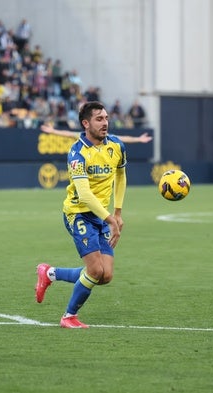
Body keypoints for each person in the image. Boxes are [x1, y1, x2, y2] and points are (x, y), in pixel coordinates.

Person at [35, 101, 127, 328]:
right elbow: (84, 195)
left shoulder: (116, 145)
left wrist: (118, 212)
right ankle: (68, 317)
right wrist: (111, 220)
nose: (105, 123)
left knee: (105, 276)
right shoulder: (77, 153)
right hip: (78, 214)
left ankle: (49, 273)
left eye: (106, 118)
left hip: (102, 215)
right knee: (95, 270)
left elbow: (121, 175)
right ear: (86, 123)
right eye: (99, 119)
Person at [40, 124, 152, 144]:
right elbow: (68, 133)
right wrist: (54, 131)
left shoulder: (107, 137)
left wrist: (138, 139)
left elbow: (124, 138)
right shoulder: (84, 137)